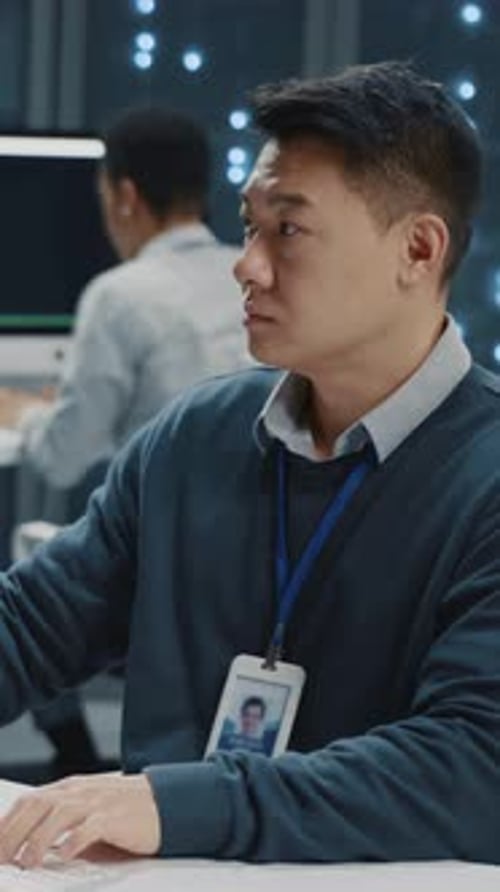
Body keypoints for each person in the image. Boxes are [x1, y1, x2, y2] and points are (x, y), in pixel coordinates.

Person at [0, 60, 499, 868]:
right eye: (249, 225)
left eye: (288, 231)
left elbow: (474, 770)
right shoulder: (195, 437)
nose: (247, 264)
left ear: (418, 248)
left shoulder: (484, 475)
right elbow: (29, 626)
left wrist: (176, 804)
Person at [0, 106, 248, 493]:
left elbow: (63, 458)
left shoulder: (119, 295)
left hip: (159, 523)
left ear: (126, 196)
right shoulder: (250, 278)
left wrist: (23, 412)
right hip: (245, 519)